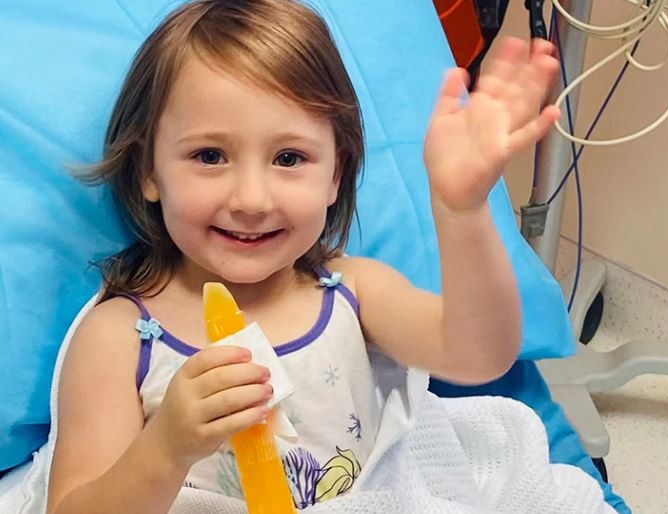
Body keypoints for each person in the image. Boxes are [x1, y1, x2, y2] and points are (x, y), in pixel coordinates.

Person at [46, 0, 560, 512]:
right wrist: (165, 448)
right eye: (209, 156)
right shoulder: (119, 338)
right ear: (148, 173)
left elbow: (480, 355)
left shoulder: (350, 291)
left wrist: (461, 211)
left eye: (289, 158)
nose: (251, 199)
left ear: (335, 175)